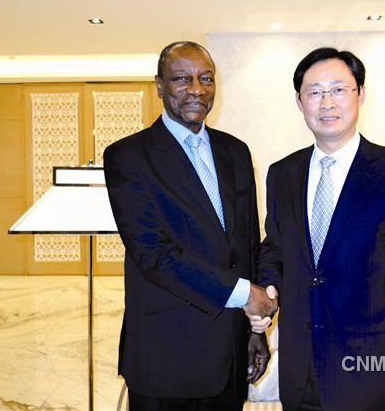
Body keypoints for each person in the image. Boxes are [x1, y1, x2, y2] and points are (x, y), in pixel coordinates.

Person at [249, 47, 385, 411]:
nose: (327, 102)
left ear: (361, 94)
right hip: (299, 373)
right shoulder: (282, 174)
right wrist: (268, 286)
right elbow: (276, 247)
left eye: (338, 89)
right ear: (299, 101)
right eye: (314, 92)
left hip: (371, 377)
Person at [104, 41, 276, 411]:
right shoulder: (128, 156)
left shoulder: (236, 151)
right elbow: (153, 254)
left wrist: (255, 331)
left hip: (230, 351)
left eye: (206, 78)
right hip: (167, 353)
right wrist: (245, 294)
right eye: (182, 79)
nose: (197, 89)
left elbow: (246, 245)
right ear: (159, 85)